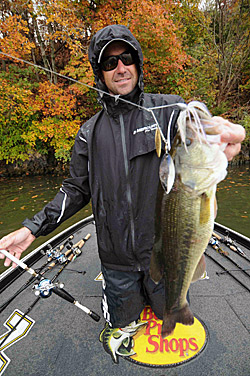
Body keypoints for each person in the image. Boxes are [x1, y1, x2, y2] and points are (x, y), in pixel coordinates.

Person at [0, 25, 245, 363]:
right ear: (99, 74)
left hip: (161, 249)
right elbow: (74, 190)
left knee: (168, 310)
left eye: (126, 58)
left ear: (138, 63)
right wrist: (31, 228)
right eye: (109, 62)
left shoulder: (168, 110)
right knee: (123, 323)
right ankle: (119, 302)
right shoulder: (88, 132)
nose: (120, 68)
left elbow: (202, 125)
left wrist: (224, 132)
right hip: (115, 260)